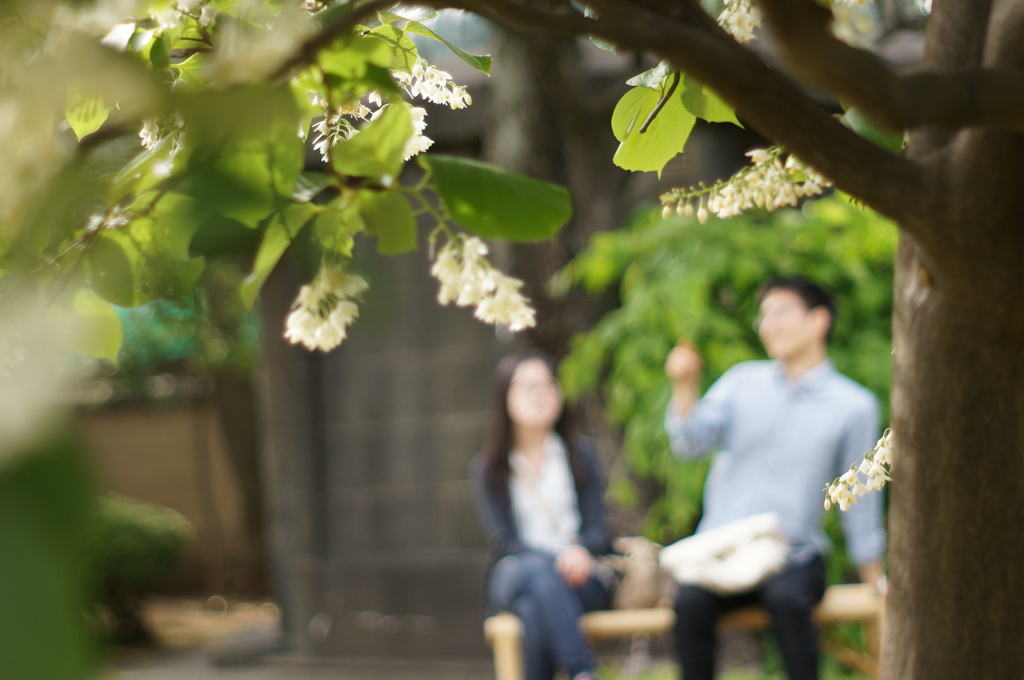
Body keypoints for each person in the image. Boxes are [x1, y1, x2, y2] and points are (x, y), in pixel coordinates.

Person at [663, 276, 886, 680]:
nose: (769, 324)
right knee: (690, 604)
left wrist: (875, 576)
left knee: (787, 600)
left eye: (780, 312)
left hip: (794, 555)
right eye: (763, 316)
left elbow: (859, 492)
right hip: (724, 552)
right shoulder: (740, 381)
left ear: (818, 321)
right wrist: (684, 387)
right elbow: (689, 444)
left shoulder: (854, 406)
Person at [472, 350, 613, 680]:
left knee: (532, 612)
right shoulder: (490, 468)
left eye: (549, 385)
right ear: (505, 396)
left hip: (578, 575)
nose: (540, 393)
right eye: (529, 386)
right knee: (538, 572)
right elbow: (505, 541)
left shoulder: (580, 455)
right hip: (517, 571)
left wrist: (580, 550)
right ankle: (583, 671)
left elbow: (597, 525)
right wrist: (555, 559)